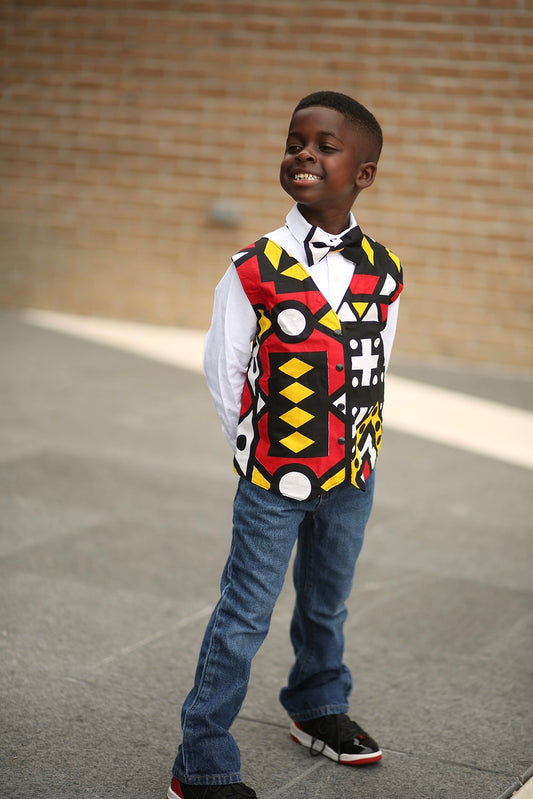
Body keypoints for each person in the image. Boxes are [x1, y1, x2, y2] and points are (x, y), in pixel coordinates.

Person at [167, 90, 403, 799]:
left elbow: (377, 361)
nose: (303, 153)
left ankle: (316, 703)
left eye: (324, 145)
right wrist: (258, 454)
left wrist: (355, 447)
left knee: (327, 600)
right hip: (275, 474)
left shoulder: (384, 269)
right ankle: (200, 759)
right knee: (244, 611)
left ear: (361, 173)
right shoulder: (253, 265)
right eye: (295, 141)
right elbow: (224, 369)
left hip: (352, 472)